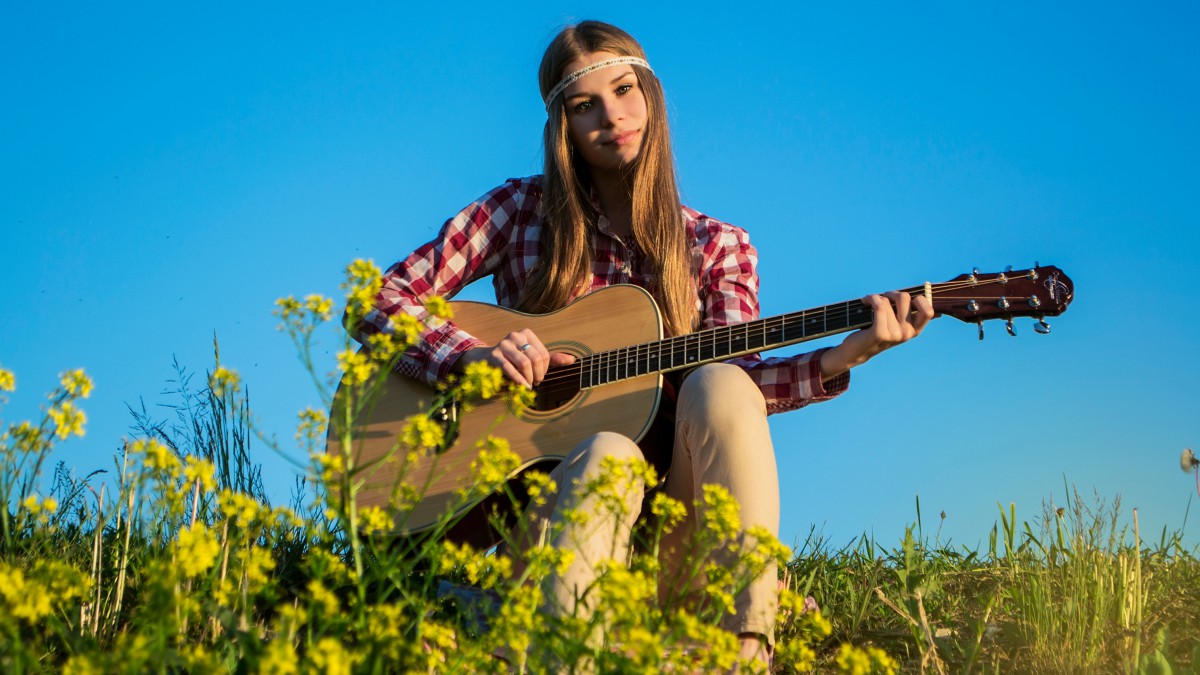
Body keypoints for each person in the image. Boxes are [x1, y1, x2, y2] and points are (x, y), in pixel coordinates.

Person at [353, 20, 934, 669]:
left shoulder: (718, 246)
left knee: (718, 381)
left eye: (625, 90)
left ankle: (743, 646)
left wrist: (844, 355)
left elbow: (737, 391)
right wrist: (471, 358)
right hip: (557, 534)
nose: (613, 115)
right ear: (562, 127)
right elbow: (376, 300)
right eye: (586, 106)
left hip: (677, 549)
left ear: (651, 94)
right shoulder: (520, 210)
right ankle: (564, 648)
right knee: (606, 451)